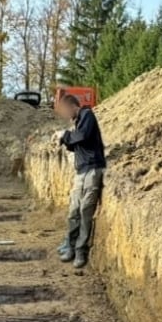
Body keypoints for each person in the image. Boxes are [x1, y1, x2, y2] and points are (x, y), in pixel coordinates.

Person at [56, 94, 106, 269]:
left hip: (93, 169)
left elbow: (82, 136)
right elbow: (75, 144)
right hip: (81, 171)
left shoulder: (87, 115)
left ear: (73, 106)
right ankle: (69, 245)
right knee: (73, 211)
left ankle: (80, 251)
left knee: (85, 211)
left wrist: (66, 135)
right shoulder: (78, 121)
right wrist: (64, 139)